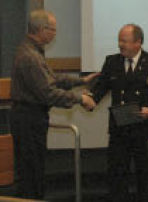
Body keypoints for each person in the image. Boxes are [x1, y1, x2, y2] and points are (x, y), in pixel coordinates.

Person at [10, 10, 97, 199]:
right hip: (29, 119)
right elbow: (48, 93)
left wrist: (81, 81)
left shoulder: (31, 51)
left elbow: (51, 78)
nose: (55, 34)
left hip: (30, 118)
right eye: (53, 30)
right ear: (42, 29)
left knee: (33, 171)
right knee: (31, 175)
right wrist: (80, 99)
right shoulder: (30, 57)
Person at [90, 24, 148, 202]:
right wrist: (87, 100)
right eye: (119, 40)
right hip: (119, 130)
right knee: (117, 176)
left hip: (145, 129)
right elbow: (99, 90)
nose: (120, 45)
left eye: (124, 41)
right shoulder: (112, 62)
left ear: (138, 42)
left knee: (145, 176)